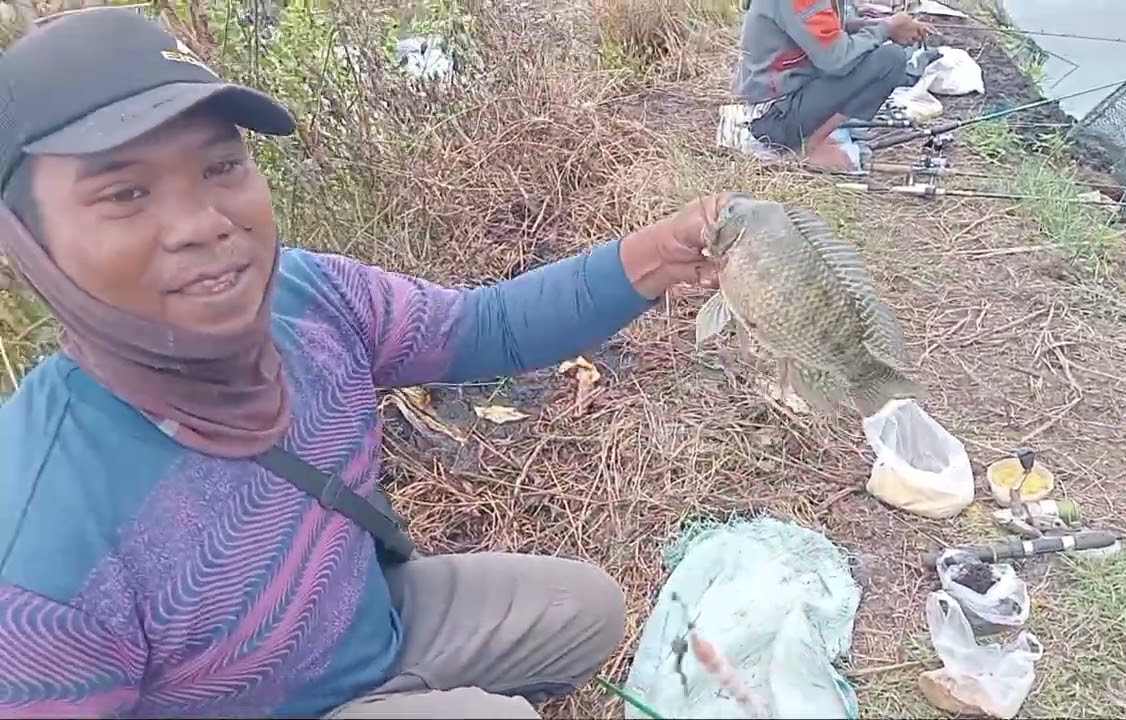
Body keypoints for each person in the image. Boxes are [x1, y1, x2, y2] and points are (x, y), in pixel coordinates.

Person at [0, 8, 723, 719]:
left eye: (221, 166)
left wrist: (661, 255)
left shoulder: (310, 299)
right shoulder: (36, 547)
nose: (202, 223)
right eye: (126, 194)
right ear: (27, 240)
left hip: (371, 636)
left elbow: (488, 327)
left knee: (586, 609)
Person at [735, 2, 931, 170]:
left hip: (780, 103)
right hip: (772, 119)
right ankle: (805, 148)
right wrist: (886, 29)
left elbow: (825, 30)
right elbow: (837, 59)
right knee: (889, 60)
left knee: (881, 55)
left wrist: (877, 25)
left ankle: (811, 141)